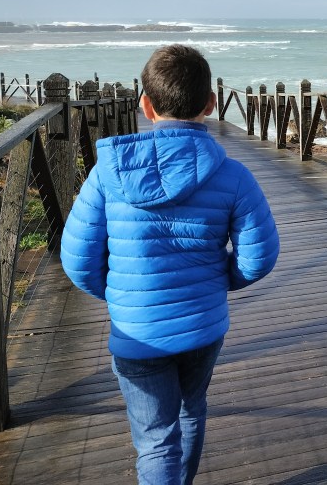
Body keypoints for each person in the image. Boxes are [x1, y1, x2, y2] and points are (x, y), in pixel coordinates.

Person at [61, 44, 279, 485]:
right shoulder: (235, 176)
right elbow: (259, 258)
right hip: (202, 325)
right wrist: (219, 280)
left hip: (136, 332)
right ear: (211, 104)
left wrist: (124, 293)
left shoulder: (107, 174)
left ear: (144, 105)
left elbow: (78, 260)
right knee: (192, 410)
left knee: (156, 438)